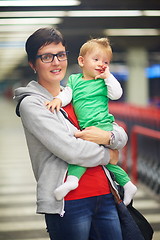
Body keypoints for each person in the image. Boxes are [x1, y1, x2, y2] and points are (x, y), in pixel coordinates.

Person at [14, 27, 126, 240]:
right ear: (32, 64)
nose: (56, 62)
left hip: (105, 193)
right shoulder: (33, 104)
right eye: (47, 57)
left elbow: (117, 130)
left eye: (61, 54)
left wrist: (110, 138)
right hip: (70, 203)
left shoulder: (76, 91)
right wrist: (109, 154)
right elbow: (71, 150)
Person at [46, 38, 137, 205]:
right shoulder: (74, 80)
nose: (101, 64)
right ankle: (128, 184)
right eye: (96, 60)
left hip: (102, 125)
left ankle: (72, 180)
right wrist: (58, 100)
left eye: (105, 62)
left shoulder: (103, 82)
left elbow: (117, 94)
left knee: (85, 152)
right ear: (81, 61)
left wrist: (108, 76)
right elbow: (67, 94)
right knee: (100, 158)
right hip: (88, 127)